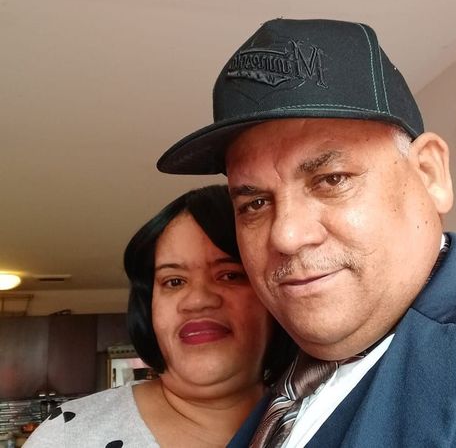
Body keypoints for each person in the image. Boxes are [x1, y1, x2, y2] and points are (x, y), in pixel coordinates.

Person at [157, 19, 456, 447]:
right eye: (255, 203)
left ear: (430, 174)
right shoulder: (290, 380)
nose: (286, 235)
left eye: (331, 179)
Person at [24, 185, 295, 447]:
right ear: (148, 307)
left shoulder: (314, 420)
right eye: (174, 281)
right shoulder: (67, 436)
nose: (197, 300)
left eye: (230, 275)